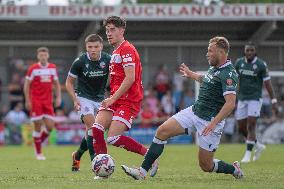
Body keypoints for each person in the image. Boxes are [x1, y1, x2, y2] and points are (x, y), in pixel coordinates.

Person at [121, 36, 244, 180]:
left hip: (210, 121)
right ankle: (142, 172)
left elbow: (230, 103)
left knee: (206, 165)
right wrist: (192, 75)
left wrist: (214, 122)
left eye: (210, 51)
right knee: (162, 131)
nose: (207, 53)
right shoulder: (214, 67)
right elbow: (208, 80)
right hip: (194, 111)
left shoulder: (229, 74)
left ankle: (234, 169)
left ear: (222, 53)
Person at [91, 16, 158, 179]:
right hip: (115, 98)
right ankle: (103, 170)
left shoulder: (127, 49)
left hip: (128, 101)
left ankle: (150, 156)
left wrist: (112, 99)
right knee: (97, 129)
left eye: (112, 30)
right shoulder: (116, 51)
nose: (109, 33)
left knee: (113, 138)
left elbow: (130, 78)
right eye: (107, 30)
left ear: (122, 30)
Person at [65, 34, 110, 171]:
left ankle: (77, 156)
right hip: (83, 98)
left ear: (101, 46)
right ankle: (96, 164)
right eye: (90, 47)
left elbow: (115, 80)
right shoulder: (80, 61)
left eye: (96, 46)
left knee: (94, 131)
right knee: (93, 128)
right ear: (86, 47)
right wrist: (74, 99)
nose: (93, 50)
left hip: (100, 99)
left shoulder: (108, 59)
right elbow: (68, 83)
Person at [235, 43, 278, 163]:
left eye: (251, 50)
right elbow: (235, 81)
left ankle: (248, 154)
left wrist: (274, 101)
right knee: (241, 127)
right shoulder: (239, 63)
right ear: (244, 52)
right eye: (247, 50)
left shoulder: (261, 64)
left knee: (251, 125)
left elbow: (268, 84)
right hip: (242, 98)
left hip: (255, 98)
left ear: (255, 52)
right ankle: (258, 145)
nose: (249, 52)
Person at [24, 47, 61, 160]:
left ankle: (38, 142)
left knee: (50, 127)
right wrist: (27, 100)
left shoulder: (52, 67)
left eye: (45, 55)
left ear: (48, 56)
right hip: (36, 101)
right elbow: (27, 85)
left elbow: (57, 84)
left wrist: (58, 97)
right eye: (41, 55)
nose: (43, 57)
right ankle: (38, 153)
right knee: (38, 126)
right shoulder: (33, 69)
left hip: (48, 101)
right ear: (38, 56)